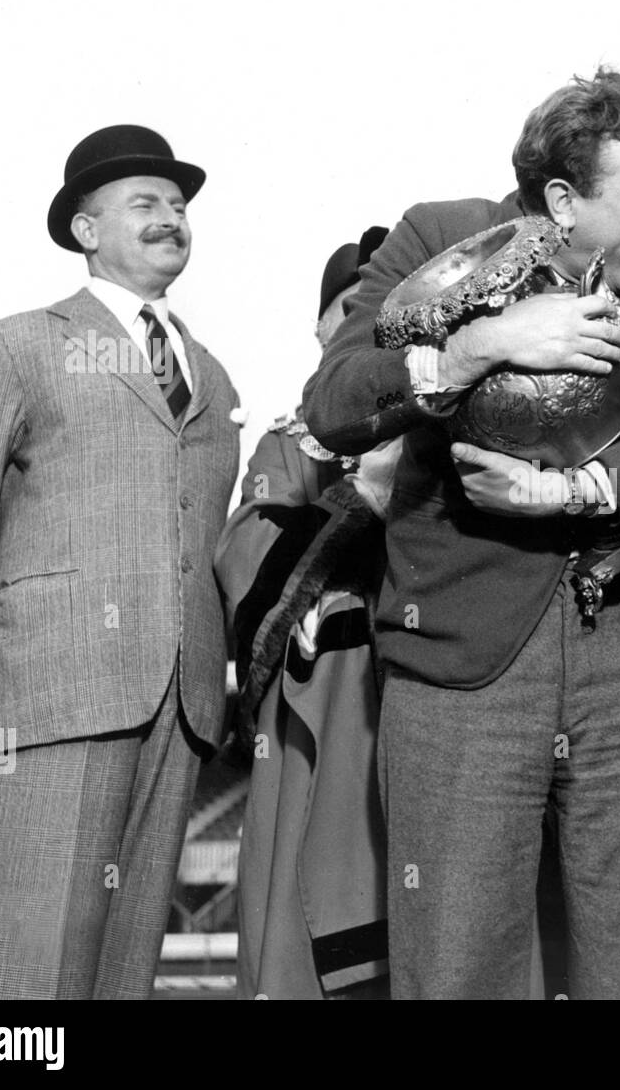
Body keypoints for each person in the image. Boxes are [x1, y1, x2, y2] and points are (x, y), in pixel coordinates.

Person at [303, 68, 620, 999]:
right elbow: (336, 400)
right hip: (459, 659)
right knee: (458, 962)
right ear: (561, 199)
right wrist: (486, 343)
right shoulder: (436, 234)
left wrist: (575, 490)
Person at [0, 124, 241, 999]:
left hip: (182, 702)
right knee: (29, 974)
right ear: (86, 230)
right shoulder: (20, 343)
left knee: (122, 974)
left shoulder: (211, 374)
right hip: (51, 694)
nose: (171, 217)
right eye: (145, 202)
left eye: (178, 205)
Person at [216, 228, 394, 999]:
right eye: (350, 308)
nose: (365, 321)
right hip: (323, 704)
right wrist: (361, 502)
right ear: (324, 328)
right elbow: (248, 559)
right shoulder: (290, 446)